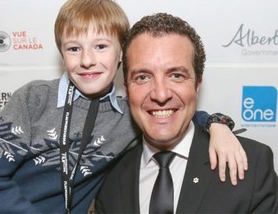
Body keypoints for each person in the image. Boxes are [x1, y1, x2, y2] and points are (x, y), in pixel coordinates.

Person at [0, 0, 246, 213]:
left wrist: (217, 125)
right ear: (61, 53)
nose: (87, 60)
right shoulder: (34, 99)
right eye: (74, 49)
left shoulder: (126, 117)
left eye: (100, 47)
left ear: (121, 53)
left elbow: (174, 112)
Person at [95, 13, 278, 213]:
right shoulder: (108, 177)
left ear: (197, 85)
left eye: (176, 75)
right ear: (127, 88)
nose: (161, 94)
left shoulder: (251, 166)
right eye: (143, 77)